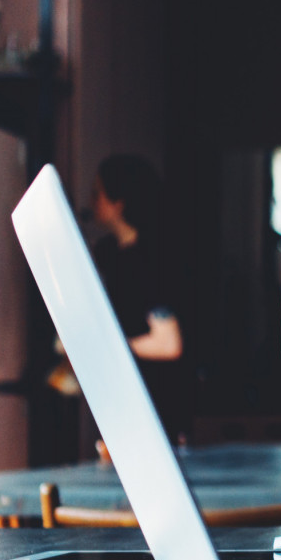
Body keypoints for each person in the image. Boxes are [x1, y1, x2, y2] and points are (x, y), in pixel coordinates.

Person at [88, 154, 190, 437]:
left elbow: (169, 343)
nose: (91, 200)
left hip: (158, 403)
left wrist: (108, 346)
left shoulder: (150, 260)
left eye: (98, 193)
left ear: (118, 203)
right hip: (130, 398)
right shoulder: (112, 254)